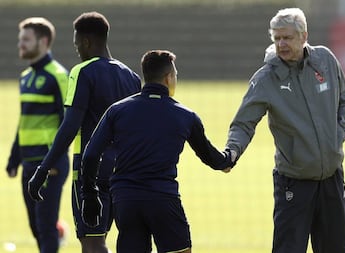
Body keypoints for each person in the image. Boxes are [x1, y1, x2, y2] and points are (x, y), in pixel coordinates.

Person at [79, 50, 236, 253]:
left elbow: (91, 155)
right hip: (162, 199)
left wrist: (90, 195)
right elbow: (210, 157)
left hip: (125, 200)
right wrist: (227, 160)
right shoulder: (185, 115)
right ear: (168, 77)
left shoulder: (117, 110)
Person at [224, 8, 345, 253]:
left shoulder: (325, 60)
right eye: (276, 38)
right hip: (294, 183)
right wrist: (232, 151)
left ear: (304, 36)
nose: (281, 44)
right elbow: (243, 123)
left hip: (332, 179)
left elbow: (344, 100)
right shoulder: (265, 79)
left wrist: (339, 134)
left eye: (287, 38)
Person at [27, 12, 142, 253]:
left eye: (77, 43)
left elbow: (70, 126)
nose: (77, 48)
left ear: (87, 41)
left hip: (90, 172)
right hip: (124, 171)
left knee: (92, 244)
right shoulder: (131, 77)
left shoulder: (82, 72)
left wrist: (43, 169)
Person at [5, 17, 70, 253]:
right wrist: (14, 158)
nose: (20, 45)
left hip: (49, 163)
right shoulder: (25, 77)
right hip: (28, 163)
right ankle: (56, 236)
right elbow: (24, 121)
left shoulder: (59, 75)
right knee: (36, 227)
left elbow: (68, 122)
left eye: (26, 40)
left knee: (44, 226)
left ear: (43, 41)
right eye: (20, 39)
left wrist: (54, 160)